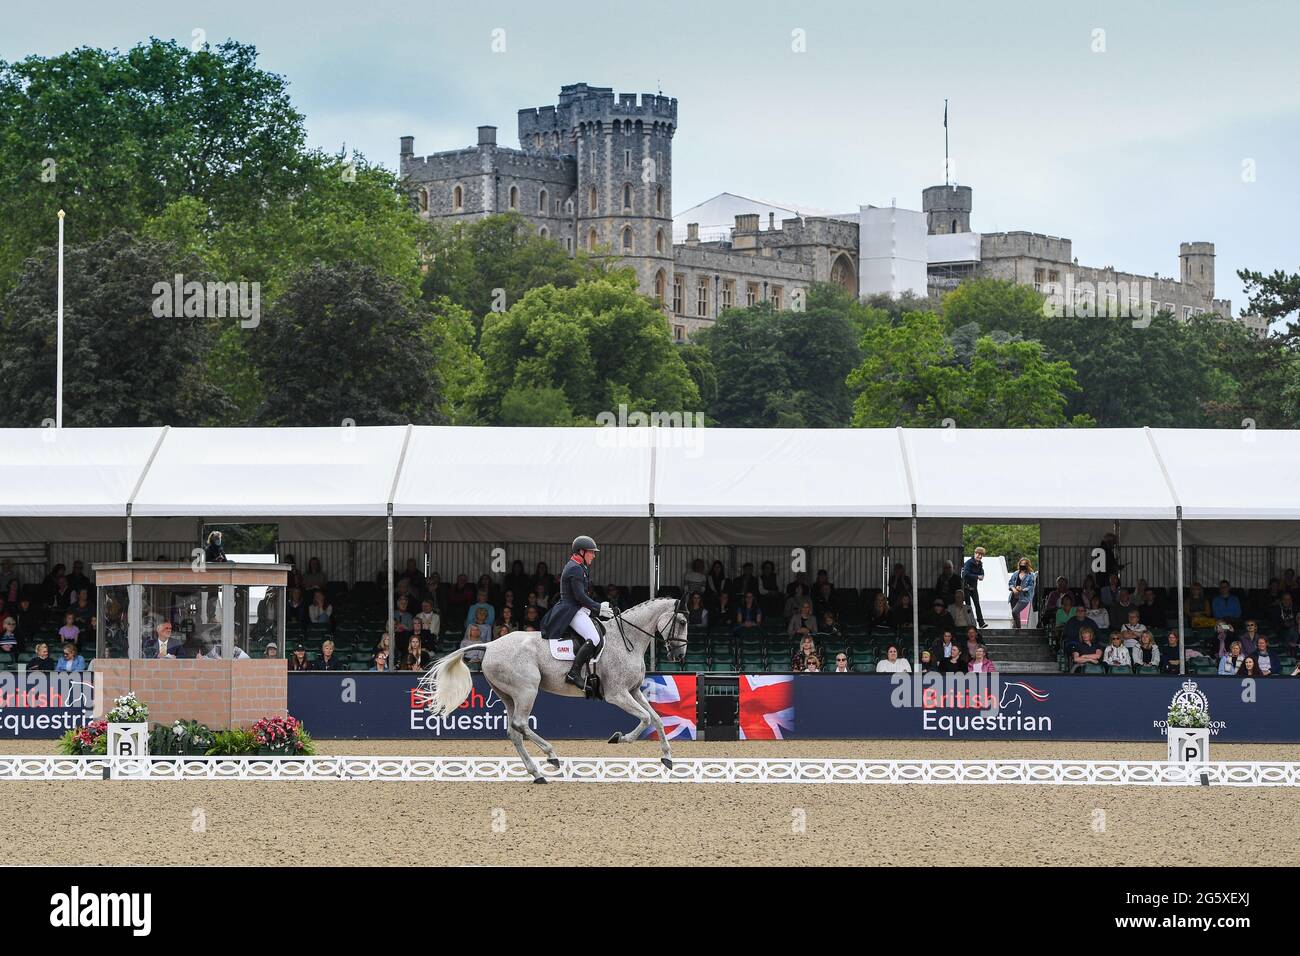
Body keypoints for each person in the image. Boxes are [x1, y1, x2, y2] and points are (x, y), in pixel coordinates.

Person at [541, 536, 613, 692]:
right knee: (593, 638)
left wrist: (596, 607)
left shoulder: (580, 566)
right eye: (591, 552)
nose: (593, 555)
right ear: (581, 551)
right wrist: (598, 608)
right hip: (571, 610)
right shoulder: (574, 568)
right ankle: (574, 673)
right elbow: (579, 596)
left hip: (578, 608)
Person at [961, 547, 988, 628]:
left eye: (981, 555)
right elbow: (965, 574)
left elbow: (981, 572)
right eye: (978, 554)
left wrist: (982, 575)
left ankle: (981, 623)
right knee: (968, 606)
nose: (979, 556)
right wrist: (977, 577)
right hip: (966, 587)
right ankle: (970, 622)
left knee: (977, 604)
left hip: (973, 587)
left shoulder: (979, 564)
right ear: (975, 553)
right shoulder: (969, 563)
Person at [1007, 558, 1036, 629]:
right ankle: (1015, 631)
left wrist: (1022, 589)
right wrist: (1014, 589)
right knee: (1016, 615)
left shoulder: (1030, 575)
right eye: (1021, 564)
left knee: (1014, 612)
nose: (1022, 565)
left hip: (1024, 598)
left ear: (1027, 565)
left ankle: (1019, 629)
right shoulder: (1016, 573)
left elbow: (1031, 586)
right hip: (1013, 597)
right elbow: (1010, 583)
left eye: (1024, 564)